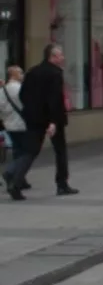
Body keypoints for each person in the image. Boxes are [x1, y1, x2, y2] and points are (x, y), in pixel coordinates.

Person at [19, 43, 76, 196]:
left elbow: (23, 95)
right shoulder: (55, 73)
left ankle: (15, 175)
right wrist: (53, 121)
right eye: (61, 55)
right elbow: (54, 99)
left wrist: (31, 111)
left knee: (31, 150)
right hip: (52, 118)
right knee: (60, 151)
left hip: (34, 118)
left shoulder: (32, 72)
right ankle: (62, 184)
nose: (63, 57)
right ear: (53, 57)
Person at [0, 65, 31, 199]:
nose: (22, 75)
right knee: (26, 152)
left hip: (9, 125)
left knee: (17, 151)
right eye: (21, 73)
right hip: (22, 124)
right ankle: (11, 172)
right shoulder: (19, 89)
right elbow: (28, 104)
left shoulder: (2, 91)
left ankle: (18, 177)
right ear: (14, 75)